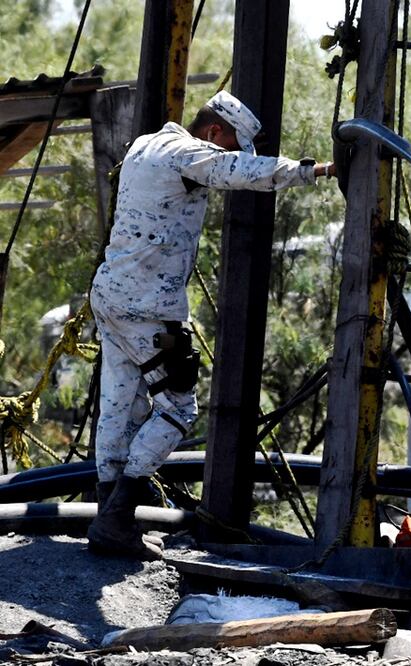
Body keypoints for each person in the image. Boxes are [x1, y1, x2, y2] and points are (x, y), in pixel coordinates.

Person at [87, 91, 335, 559]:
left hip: (111, 295)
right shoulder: (186, 152)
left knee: (119, 404)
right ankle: (117, 516)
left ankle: (108, 517)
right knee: (177, 409)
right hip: (146, 305)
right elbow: (239, 173)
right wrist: (314, 171)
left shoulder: (144, 145)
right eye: (228, 147)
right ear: (214, 134)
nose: (225, 156)